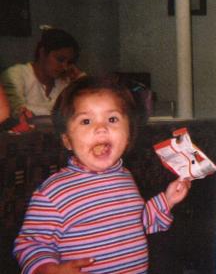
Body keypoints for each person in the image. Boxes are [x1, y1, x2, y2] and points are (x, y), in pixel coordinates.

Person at [13, 75, 190, 274]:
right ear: (67, 140)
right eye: (86, 121)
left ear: (129, 133)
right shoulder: (53, 192)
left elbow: (138, 223)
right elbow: (31, 243)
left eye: (112, 119)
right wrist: (49, 270)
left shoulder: (124, 177)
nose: (101, 128)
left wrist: (167, 200)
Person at [1, 26, 83, 119]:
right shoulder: (16, 74)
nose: (64, 67)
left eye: (69, 62)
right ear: (42, 53)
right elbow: (18, 111)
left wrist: (80, 78)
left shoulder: (64, 81)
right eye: (60, 59)